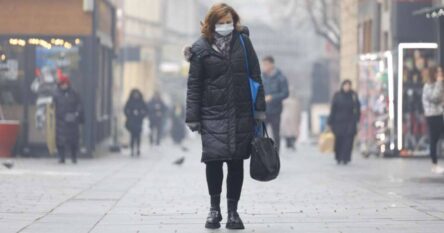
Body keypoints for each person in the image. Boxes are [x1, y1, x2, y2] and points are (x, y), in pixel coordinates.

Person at [184, 3, 265, 230]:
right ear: (211, 24)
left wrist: (259, 110)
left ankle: (233, 212)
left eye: (229, 22)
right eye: (221, 22)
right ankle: (214, 210)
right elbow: (194, 85)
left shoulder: (243, 42)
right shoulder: (200, 48)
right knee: (213, 161)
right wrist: (193, 117)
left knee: (236, 162)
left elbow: (255, 75)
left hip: (241, 113)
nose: (226, 26)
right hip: (212, 114)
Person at [328, 80, 360, 165]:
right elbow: (333, 109)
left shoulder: (353, 95)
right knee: (339, 140)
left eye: (348, 85)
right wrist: (330, 122)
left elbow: (357, 108)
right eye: (345, 85)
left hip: (350, 122)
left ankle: (346, 158)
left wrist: (357, 120)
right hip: (338, 122)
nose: (347, 87)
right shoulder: (337, 95)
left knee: (348, 141)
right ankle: (338, 157)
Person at [53, 74, 83, 164]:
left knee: (73, 140)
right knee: (60, 141)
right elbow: (53, 105)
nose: (64, 86)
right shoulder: (56, 94)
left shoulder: (74, 93)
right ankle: (62, 157)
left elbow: (79, 104)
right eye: (62, 84)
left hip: (72, 120)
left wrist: (76, 113)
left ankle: (74, 157)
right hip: (60, 120)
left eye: (65, 84)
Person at [261, 56, 289, 152]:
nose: (264, 67)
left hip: (275, 110)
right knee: (261, 133)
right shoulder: (261, 77)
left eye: (266, 64)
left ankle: (276, 153)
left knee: (275, 133)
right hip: (263, 110)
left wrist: (272, 97)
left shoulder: (281, 77)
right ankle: (261, 151)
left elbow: (285, 93)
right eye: (263, 64)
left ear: (272, 64)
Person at [422, 66, 444, 174]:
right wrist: (440, 83)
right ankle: (434, 164)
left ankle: (435, 163)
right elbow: (435, 98)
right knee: (434, 140)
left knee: (436, 139)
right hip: (433, 115)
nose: (440, 74)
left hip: (439, 114)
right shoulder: (428, 86)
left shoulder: (438, 85)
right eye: (438, 72)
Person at [124, 89, 147, 157]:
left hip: (139, 121)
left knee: (138, 136)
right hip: (131, 121)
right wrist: (130, 114)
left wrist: (141, 114)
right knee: (132, 136)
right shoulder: (130, 101)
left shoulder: (141, 102)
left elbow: (145, 110)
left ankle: (138, 149)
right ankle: (132, 149)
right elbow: (126, 110)